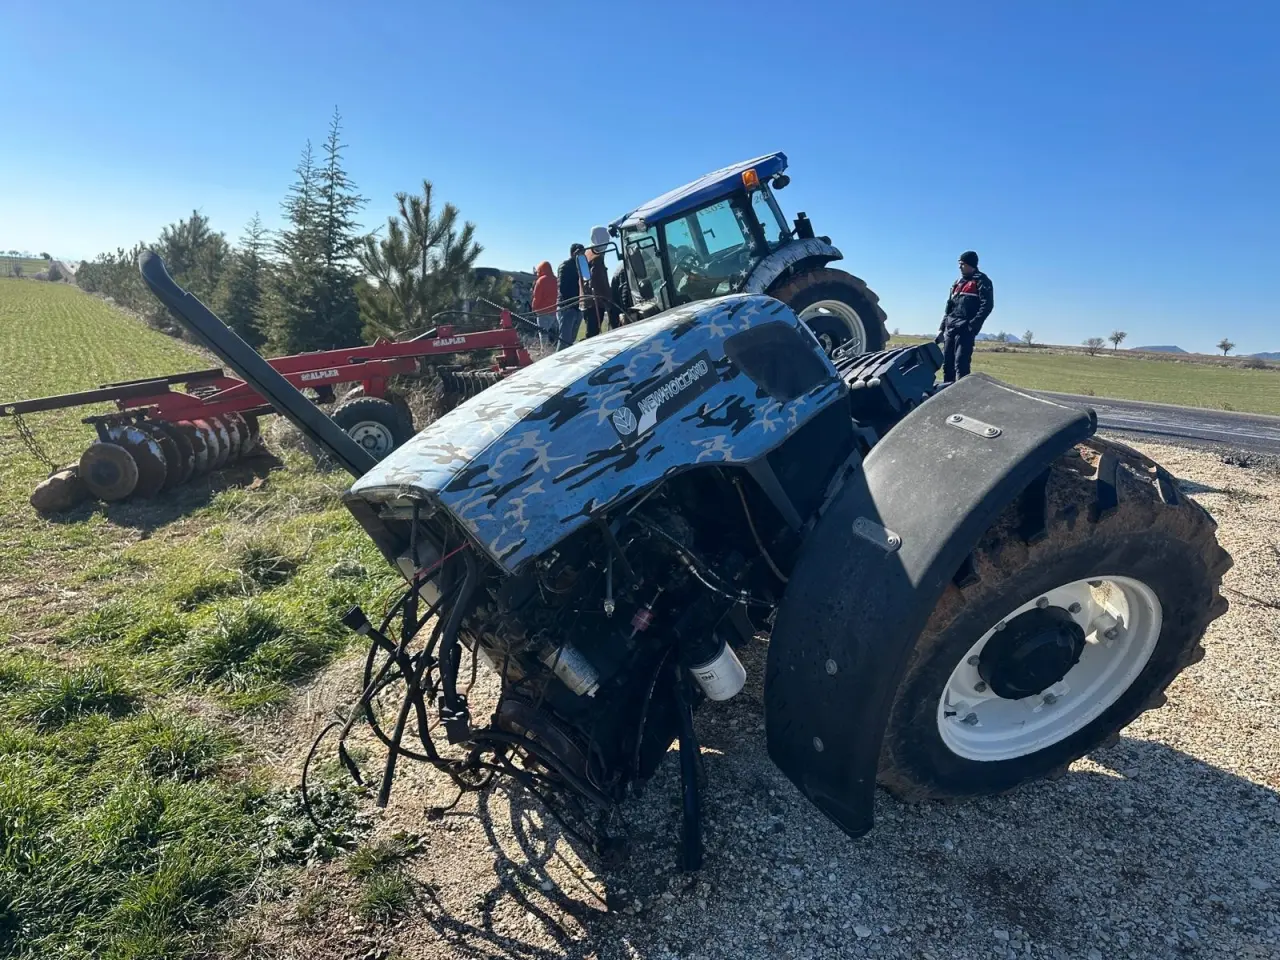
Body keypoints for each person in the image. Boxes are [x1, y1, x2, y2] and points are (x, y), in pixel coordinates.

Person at [936, 250, 994, 382]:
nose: (959, 266)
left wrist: (972, 326)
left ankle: (961, 397)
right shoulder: (958, 282)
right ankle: (946, 395)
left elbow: (987, 306)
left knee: (961, 364)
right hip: (950, 328)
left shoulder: (982, 281)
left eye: (962, 264)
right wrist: (941, 329)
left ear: (970, 264)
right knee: (947, 364)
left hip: (965, 330)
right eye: (959, 263)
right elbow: (949, 308)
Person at [581, 226, 613, 338]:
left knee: (592, 333)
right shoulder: (596, 255)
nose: (608, 241)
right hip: (595, 302)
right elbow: (596, 280)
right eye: (605, 238)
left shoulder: (589, 253)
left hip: (591, 301)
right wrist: (608, 298)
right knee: (593, 335)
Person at [555, 244, 585, 350]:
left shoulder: (579, 266)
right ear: (574, 253)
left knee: (571, 339)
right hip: (567, 306)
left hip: (576, 306)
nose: (583, 255)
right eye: (580, 253)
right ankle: (558, 361)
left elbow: (586, 278)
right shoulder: (566, 266)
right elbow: (563, 288)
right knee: (565, 339)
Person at [530, 261, 558, 339]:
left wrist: (533, 307)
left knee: (543, 333)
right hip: (553, 311)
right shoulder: (556, 279)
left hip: (542, 311)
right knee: (553, 331)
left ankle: (545, 349)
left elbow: (537, 297)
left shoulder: (541, 280)